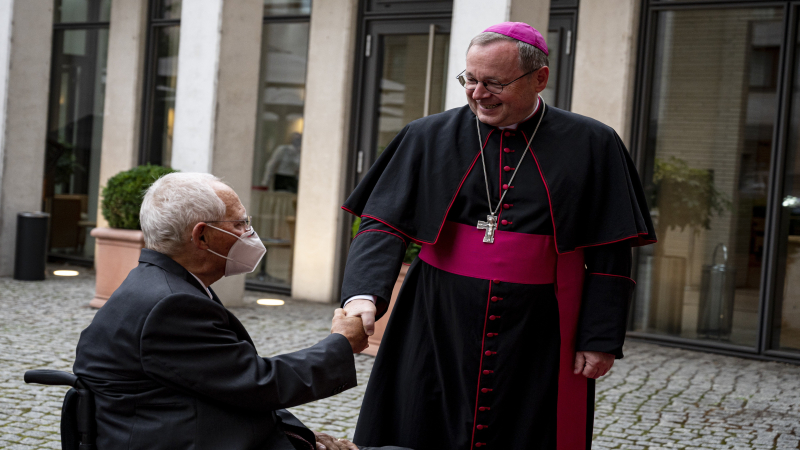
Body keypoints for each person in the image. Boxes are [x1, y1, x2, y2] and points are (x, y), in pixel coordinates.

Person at [340, 22, 657, 450]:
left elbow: (610, 250)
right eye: (470, 79)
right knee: (418, 423)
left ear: (540, 78)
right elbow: (382, 222)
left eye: (495, 83)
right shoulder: (426, 136)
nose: (477, 94)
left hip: (541, 325)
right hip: (435, 316)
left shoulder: (593, 143)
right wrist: (363, 296)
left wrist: (598, 337)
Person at [73, 172, 367, 450]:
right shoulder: (170, 304)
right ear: (202, 237)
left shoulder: (165, 284)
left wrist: (303, 436)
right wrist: (341, 344)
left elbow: (224, 381)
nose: (249, 233)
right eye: (240, 223)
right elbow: (256, 382)